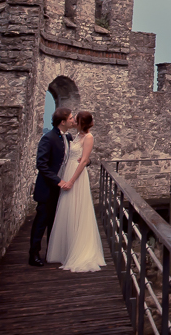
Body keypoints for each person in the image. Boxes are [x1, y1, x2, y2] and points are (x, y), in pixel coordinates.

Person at [46, 111, 106, 272]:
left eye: (76, 120)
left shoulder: (88, 137)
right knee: (68, 210)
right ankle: (66, 249)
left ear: (82, 123)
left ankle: (79, 250)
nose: (73, 122)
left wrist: (71, 180)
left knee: (78, 209)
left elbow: (85, 160)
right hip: (68, 171)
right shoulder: (74, 136)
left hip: (77, 177)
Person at [29, 107, 75, 266]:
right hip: (48, 188)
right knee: (41, 221)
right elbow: (41, 165)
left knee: (55, 222)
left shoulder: (68, 137)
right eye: (70, 118)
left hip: (60, 189)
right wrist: (58, 181)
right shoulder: (48, 138)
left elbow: (68, 158)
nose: (72, 120)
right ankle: (33, 254)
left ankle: (51, 252)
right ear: (62, 122)